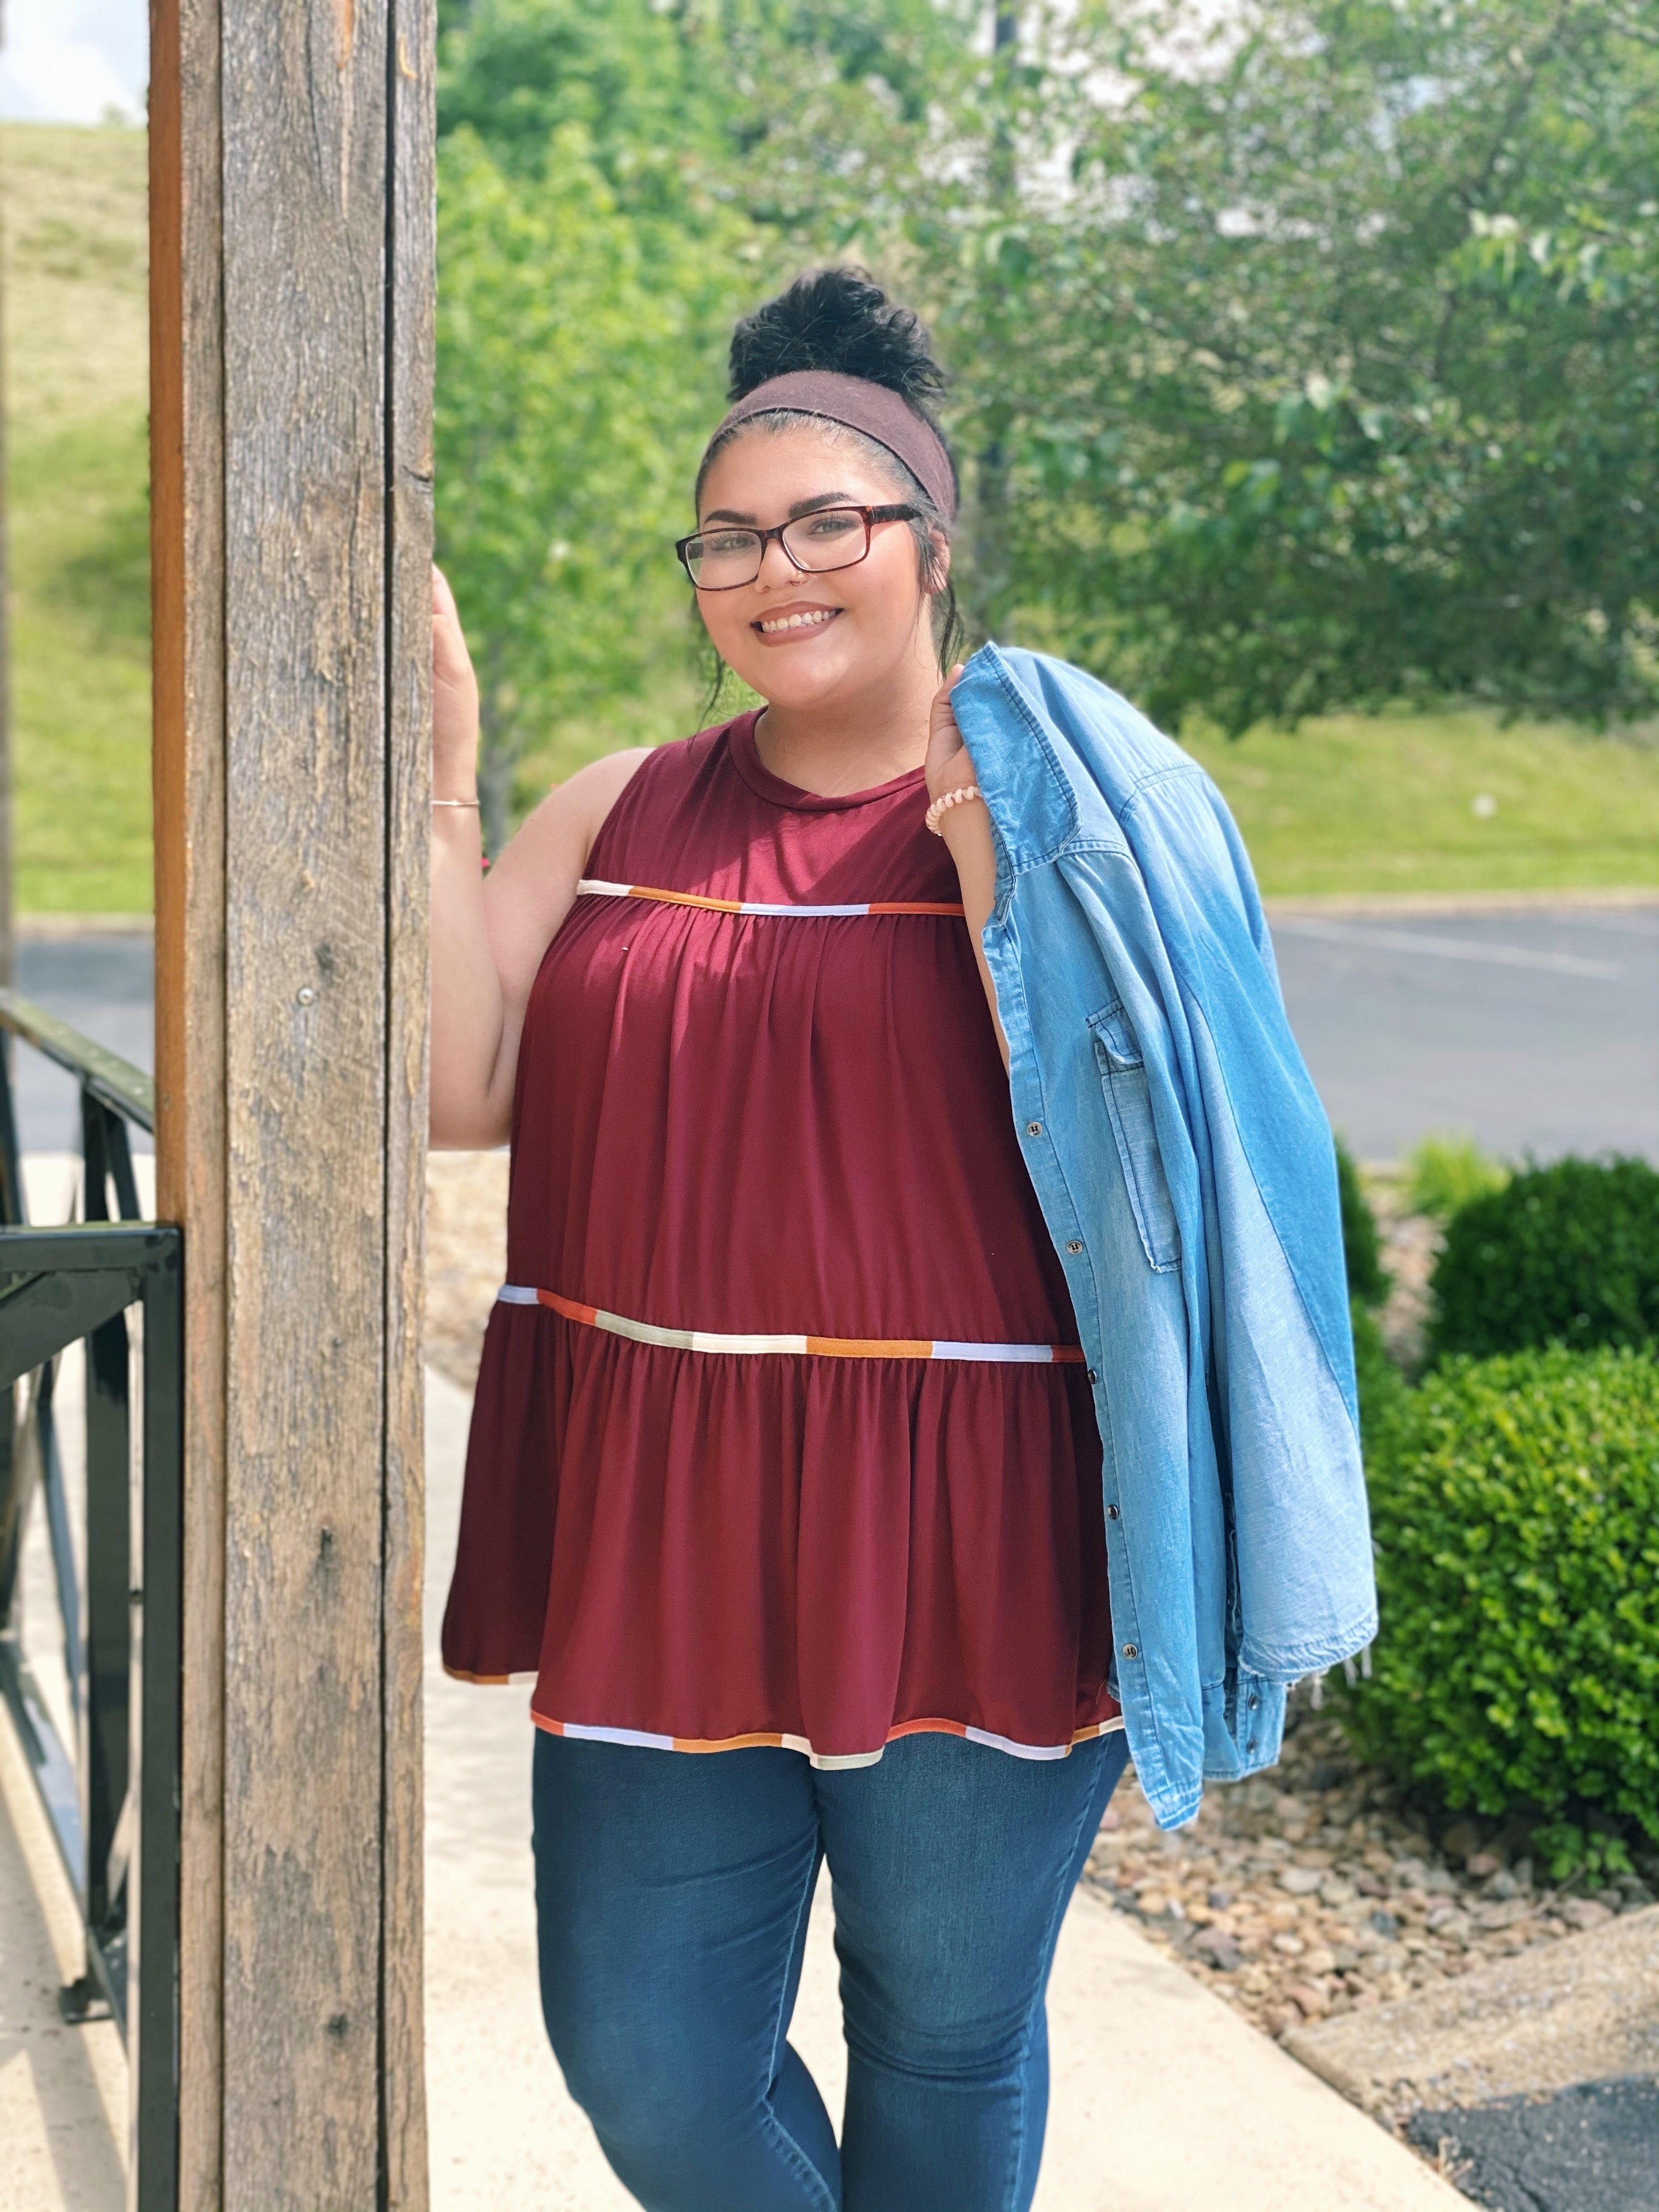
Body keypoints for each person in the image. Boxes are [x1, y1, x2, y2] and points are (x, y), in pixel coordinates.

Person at [430, 267, 1376, 2212]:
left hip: (973, 1522)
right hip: (660, 1516)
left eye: (826, 524)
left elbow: (1183, 1120)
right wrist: (439, 784)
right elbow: (460, 1088)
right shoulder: (617, 806)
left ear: (928, 542)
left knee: (941, 2038)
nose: (775, 569)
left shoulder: (1041, 804)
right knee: (646, 2062)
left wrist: (1000, 840)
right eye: (729, 537)